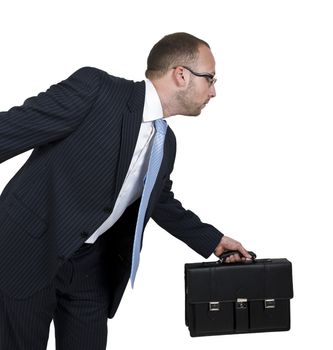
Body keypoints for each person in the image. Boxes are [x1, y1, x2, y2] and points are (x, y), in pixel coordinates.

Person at [0, 32, 251, 350]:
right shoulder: (97, 90)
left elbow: (158, 200)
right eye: (210, 79)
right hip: (29, 251)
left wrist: (213, 240)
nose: (213, 91)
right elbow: (13, 128)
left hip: (90, 269)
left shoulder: (166, 143)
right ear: (181, 74)